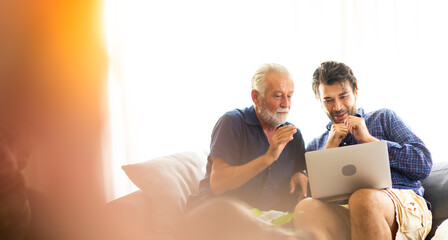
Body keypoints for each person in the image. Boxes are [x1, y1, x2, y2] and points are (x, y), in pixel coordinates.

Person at [292, 61, 433, 240]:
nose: (337, 107)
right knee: (305, 209)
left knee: (362, 198)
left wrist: (370, 141)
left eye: (343, 96)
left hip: (401, 204)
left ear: (356, 91)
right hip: (346, 212)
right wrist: (329, 149)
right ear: (319, 100)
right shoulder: (316, 146)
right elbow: (312, 195)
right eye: (328, 100)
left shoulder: (384, 118)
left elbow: (424, 164)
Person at [181, 63, 308, 239]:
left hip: (264, 221)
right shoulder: (232, 122)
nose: (286, 104)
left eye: (290, 96)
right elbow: (218, 184)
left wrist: (300, 174)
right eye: (278, 96)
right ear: (256, 97)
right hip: (218, 215)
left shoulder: (294, 136)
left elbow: (301, 175)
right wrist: (268, 158)